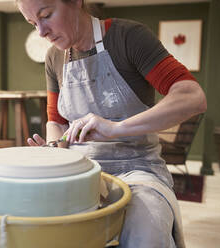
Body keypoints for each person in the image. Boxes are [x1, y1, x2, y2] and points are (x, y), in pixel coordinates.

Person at [17, 0, 207, 247]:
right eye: (32, 23)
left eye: (46, 15)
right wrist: (55, 148)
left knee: (144, 232)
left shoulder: (128, 37)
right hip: (80, 171)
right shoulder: (54, 57)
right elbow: (57, 121)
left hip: (138, 169)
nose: (41, 32)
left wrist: (116, 129)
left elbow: (192, 96)